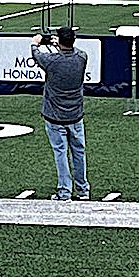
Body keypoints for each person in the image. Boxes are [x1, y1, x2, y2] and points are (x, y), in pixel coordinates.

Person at [31, 27, 90, 201]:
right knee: (78, 152)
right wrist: (59, 43)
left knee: (60, 152)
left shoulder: (51, 61)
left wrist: (36, 43)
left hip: (55, 115)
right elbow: (73, 51)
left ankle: (65, 190)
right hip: (75, 113)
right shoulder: (82, 57)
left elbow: (36, 53)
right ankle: (82, 189)